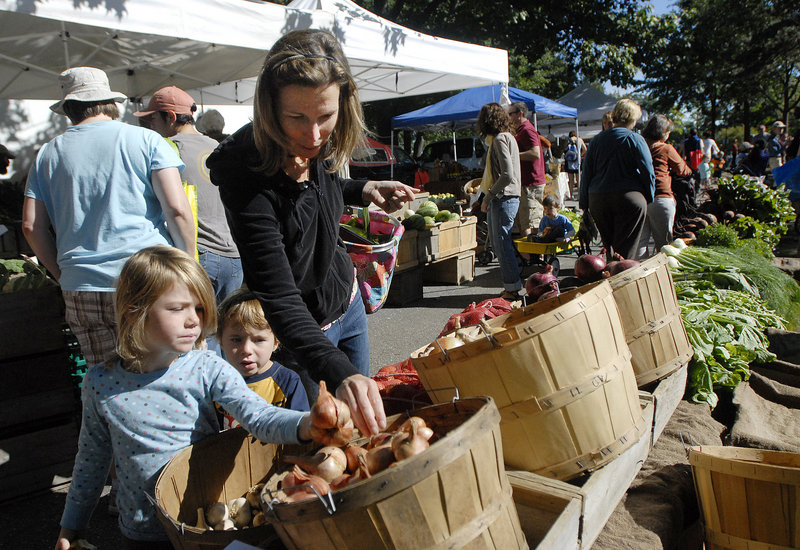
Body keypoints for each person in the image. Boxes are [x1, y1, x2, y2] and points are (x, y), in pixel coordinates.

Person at [206, 30, 415, 436]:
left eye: (325, 116)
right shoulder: (244, 175)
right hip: (302, 332)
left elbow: (323, 190)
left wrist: (365, 189)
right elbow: (278, 294)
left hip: (348, 303)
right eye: (297, 118)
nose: (314, 135)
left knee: (364, 432)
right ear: (269, 108)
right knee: (324, 438)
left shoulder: (320, 146)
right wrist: (338, 372)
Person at [54, 246, 325, 550]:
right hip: (141, 532)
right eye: (177, 308)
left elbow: (259, 417)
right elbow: (91, 460)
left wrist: (308, 423)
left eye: (198, 308)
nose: (193, 320)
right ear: (134, 310)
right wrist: (72, 526)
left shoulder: (206, 368)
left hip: (203, 527)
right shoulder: (101, 383)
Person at [22, 67, 194, 365]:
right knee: (171, 374)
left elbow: (31, 226)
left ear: (68, 108)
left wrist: (63, 274)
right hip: (148, 276)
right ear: (110, 102)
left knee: (107, 382)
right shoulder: (146, 140)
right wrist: (189, 263)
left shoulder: (47, 154)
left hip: (81, 286)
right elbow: (177, 210)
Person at [134, 86, 243, 304]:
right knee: (227, 331)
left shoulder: (168, 149)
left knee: (198, 333)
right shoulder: (217, 146)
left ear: (171, 117)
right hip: (234, 257)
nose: (151, 126)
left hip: (198, 254)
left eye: (153, 119)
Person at [217, 288, 310, 431]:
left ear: (275, 342)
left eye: (258, 340)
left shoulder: (288, 382)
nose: (246, 349)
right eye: (236, 339)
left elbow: (302, 431)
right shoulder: (217, 383)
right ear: (220, 340)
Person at [579, 98, 655, 261]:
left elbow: (586, 173)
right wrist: (649, 197)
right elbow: (648, 172)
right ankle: (620, 278)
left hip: (598, 199)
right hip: (629, 199)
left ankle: (610, 274)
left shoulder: (597, 140)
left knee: (609, 247)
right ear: (633, 119)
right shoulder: (635, 139)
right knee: (625, 252)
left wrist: (584, 204)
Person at [466, 102, 522, 300]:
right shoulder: (509, 138)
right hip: (508, 196)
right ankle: (512, 286)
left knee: (501, 244)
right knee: (502, 243)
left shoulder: (499, 140)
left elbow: (507, 174)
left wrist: (487, 197)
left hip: (503, 197)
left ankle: (512, 288)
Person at [637, 115, 692, 258]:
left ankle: (641, 272)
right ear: (663, 132)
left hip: (640, 198)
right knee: (664, 245)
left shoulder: (639, 146)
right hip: (661, 197)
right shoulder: (666, 148)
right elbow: (683, 170)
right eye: (668, 132)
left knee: (641, 242)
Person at [508, 102, 545, 241]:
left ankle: (537, 258)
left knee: (531, 223)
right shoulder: (520, 130)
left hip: (531, 183)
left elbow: (535, 153)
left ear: (520, 114)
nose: (509, 116)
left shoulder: (527, 130)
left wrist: (513, 156)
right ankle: (530, 257)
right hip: (526, 183)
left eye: (511, 113)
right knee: (525, 221)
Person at [564, 130, 587, 199]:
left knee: (571, 180)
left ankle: (571, 195)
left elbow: (564, 150)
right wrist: (580, 155)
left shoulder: (567, 141)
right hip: (577, 162)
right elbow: (585, 149)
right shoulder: (579, 140)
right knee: (578, 180)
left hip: (569, 162)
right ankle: (579, 195)